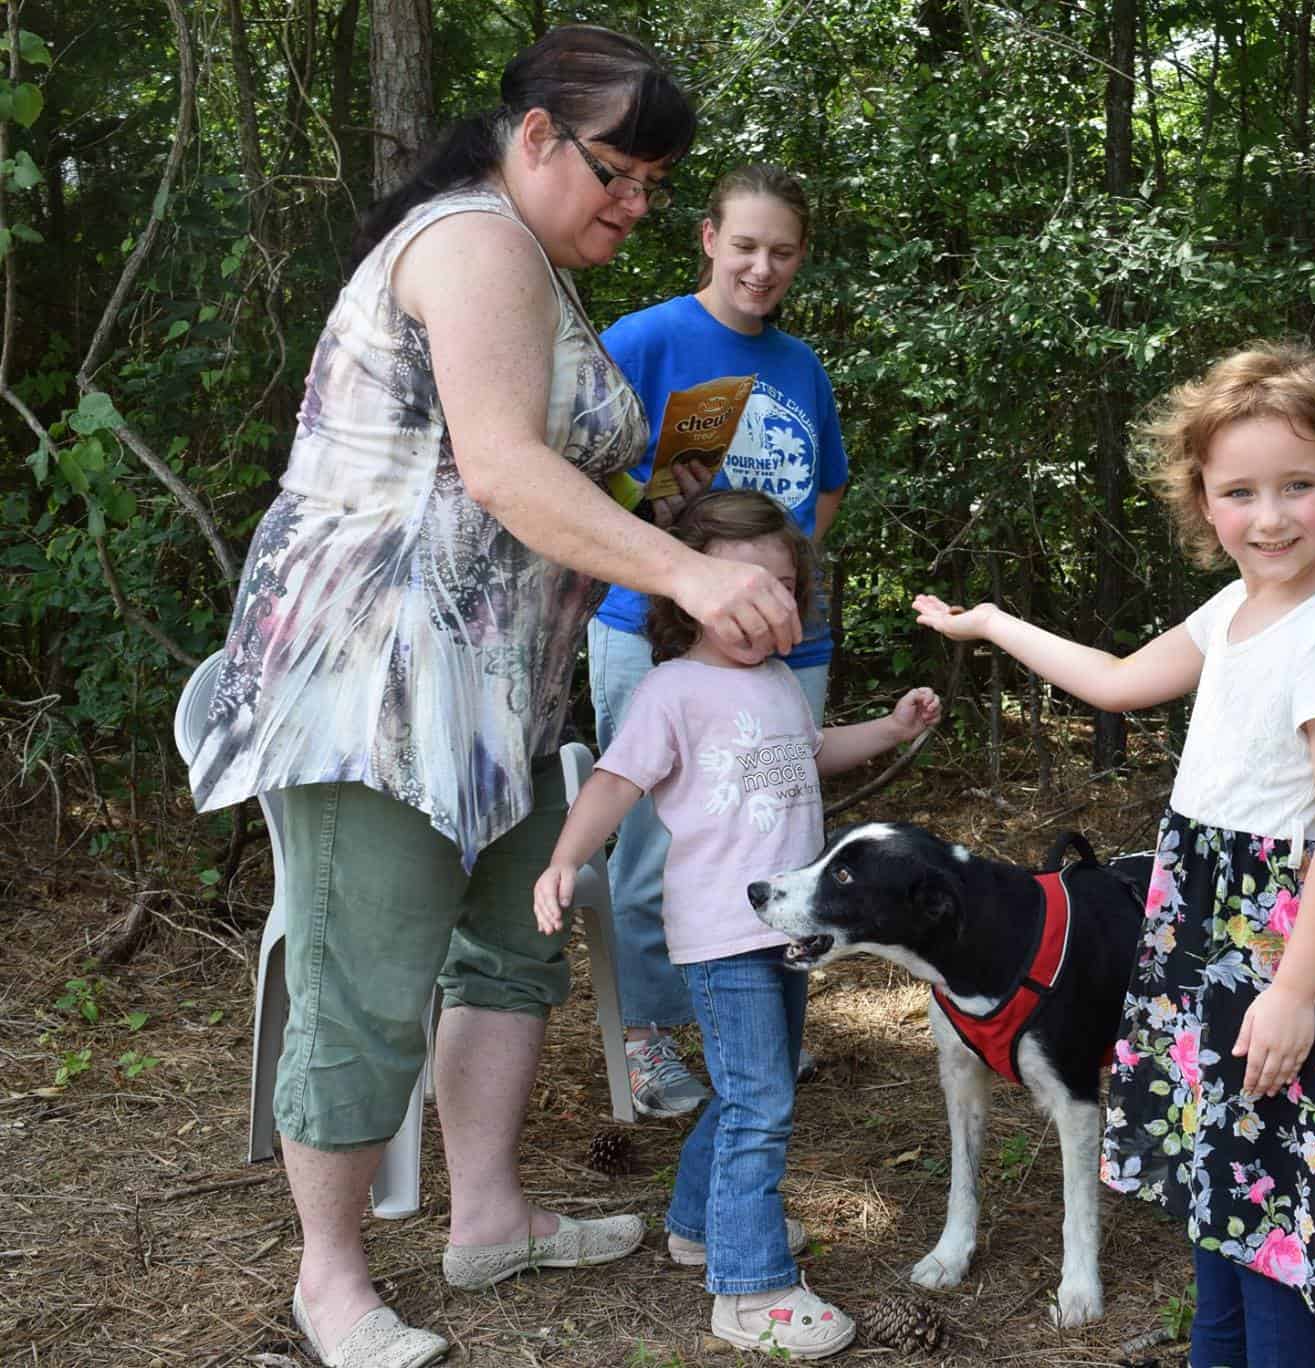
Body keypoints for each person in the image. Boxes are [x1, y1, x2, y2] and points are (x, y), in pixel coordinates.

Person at [185, 28, 804, 1368]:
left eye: (652, 182)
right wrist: (687, 570)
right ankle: (332, 1280)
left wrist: (676, 518)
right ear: (535, 139)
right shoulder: (469, 242)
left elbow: (544, 491)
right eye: (620, 173)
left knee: (510, 945)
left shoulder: (533, 265)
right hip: (382, 690)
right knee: (369, 981)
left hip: (503, 692)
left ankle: (490, 1223)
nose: (637, 205)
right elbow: (507, 471)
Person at [915, 342, 1315, 1363]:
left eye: (1297, 488)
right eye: (1240, 492)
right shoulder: (1234, 607)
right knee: (1217, 1195)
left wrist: (1293, 994)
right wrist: (995, 623)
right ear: (1202, 501)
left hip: (1273, 944)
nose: (1269, 517)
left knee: (1270, 1211)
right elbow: (1121, 680)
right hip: (1197, 927)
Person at [536, 490, 938, 1359]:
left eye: (785, 588)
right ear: (689, 591)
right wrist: (568, 858)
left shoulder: (779, 682)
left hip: (788, 928)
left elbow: (810, 750)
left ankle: (699, 1226)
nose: (767, 606)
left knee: (755, 1093)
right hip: (723, 934)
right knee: (762, 1102)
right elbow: (614, 780)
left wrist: (890, 727)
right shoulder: (672, 689)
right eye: (745, 586)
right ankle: (750, 1293)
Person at [588, 164, 848, 1117]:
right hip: (652, 629)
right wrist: (658, 505)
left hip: (787, 640)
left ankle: (762, 1030)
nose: (761, 267)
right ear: (708, 239)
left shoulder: (799, 364)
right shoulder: (645, 339)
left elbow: (825, 487)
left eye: (781, 252)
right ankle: (650, 1040)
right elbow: (578, 477)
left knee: (778, 817)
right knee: (657, 839)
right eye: (745, 245)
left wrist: (788, 581)